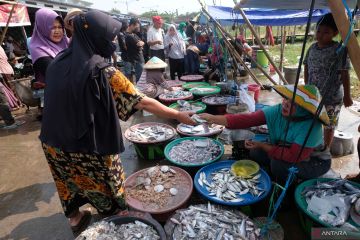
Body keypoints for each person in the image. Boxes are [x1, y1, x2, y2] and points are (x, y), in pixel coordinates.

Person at [39, 11, 194, 234]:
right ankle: (112, 221)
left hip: (52, 142)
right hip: (87, 145)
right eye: (109, 37)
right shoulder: (104, 70)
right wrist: (178, 115)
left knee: (67, 181)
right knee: (109, 184)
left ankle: (75, 218)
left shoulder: (57, 62)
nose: (113, 42)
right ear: (94, 37)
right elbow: (143, 102)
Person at [200, 85, 332, 182]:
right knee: (255, 152)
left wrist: (262, 145)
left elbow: (293, 156)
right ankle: (275, 174)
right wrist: (212, 118)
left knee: (278, 163)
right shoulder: (277, 111)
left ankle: (287, 189)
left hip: (314, 162)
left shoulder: (311, 126)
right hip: (286, 150)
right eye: (286, 98)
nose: (286, 103)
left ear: (305, 110)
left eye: (294, 103)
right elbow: (247, 119)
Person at [304, 13, 353, 148]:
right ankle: (312, 144)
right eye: (318, 30)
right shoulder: (312, 48)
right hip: (314, 95)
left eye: (326, 32)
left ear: (335, 33)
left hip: (332, 97)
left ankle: (326, 148)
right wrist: (306, 86)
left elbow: (344, 73)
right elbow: (306, 66)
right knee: (313, 120)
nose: (320, 35)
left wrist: (348, 96)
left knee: (329, 124)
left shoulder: (339, 50)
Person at [29, 8, 69, 116]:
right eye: (52, 27)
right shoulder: (38, 48)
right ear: (42, 28)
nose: (57, 31)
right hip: (56, 100)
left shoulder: (66, 42)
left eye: (60, 27)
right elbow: (56, 73)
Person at [124, 18, 144, 83]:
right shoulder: (129, 36)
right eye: (137, 27)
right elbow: (139, 44)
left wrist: (141, 44)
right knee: (139, 80)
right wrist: (140, 45)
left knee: (139, 79)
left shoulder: (133, 34)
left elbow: (142, 42)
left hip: (138, 59)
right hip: (136, 60)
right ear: (132, 25)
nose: (137, 28)